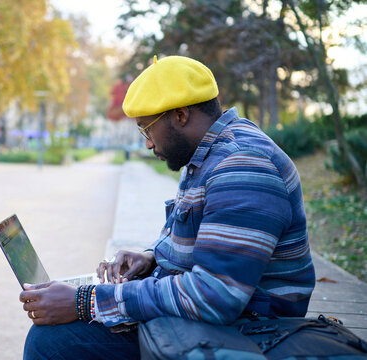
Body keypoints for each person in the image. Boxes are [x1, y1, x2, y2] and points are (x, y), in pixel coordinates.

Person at [19, 55, 316, 359]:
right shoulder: (207, 155)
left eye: (146, 128)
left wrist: (87, 301)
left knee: (50, 342)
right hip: (217, 320)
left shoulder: (241, 165)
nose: (147, 143)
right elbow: (198, 241)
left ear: (180, 116)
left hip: (246, 332)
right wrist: (151, 258)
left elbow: (215, 296)